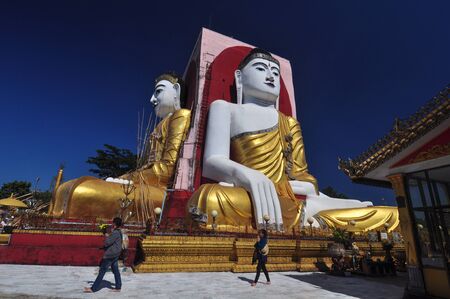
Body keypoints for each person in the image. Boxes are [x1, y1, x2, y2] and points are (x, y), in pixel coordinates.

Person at [84, 217, 123, 293]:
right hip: (116, 254)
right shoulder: (118, 231)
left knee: (102, 271)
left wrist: (105, 233)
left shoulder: (115, 232)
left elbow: (107, 242)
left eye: (113, 223)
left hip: (111, 255)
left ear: (114, 224)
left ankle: (93, 289)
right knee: (115, 270)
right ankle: (118, 286)